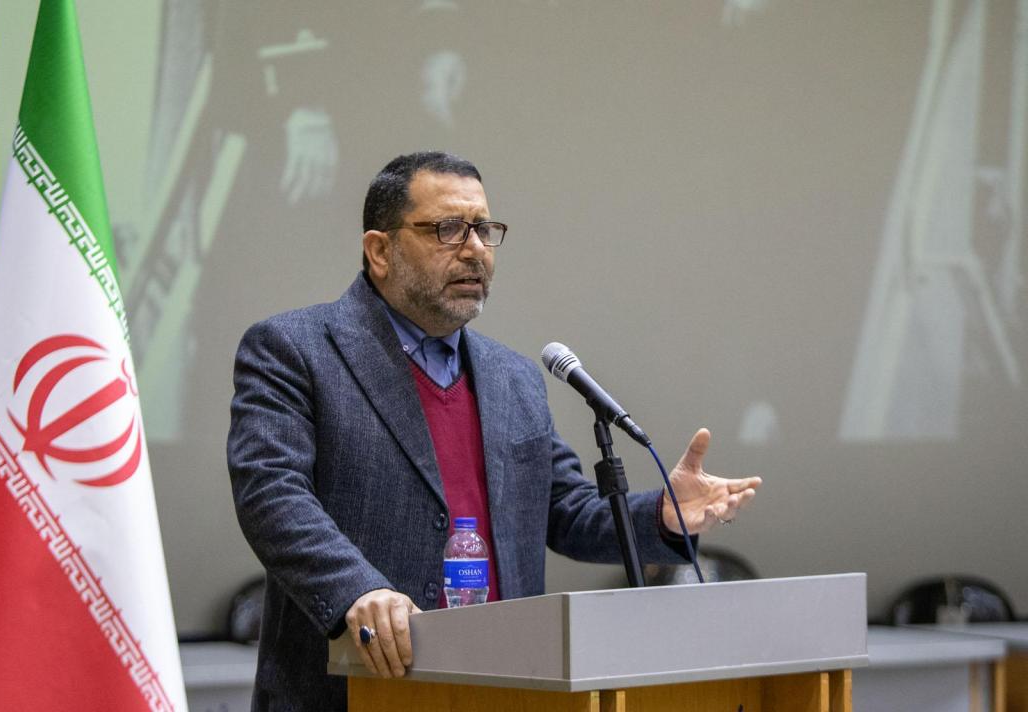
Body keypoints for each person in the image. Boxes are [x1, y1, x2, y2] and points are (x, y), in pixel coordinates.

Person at [227, 151, 761, 711]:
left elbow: (565, 510)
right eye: (448, 229)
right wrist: (358, 588)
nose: (475, 249)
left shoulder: (514, 379)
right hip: (353, 690)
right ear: (380, 251)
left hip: (505, 689)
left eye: (484, 229)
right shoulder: (296, 351)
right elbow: (272, 495)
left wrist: (662, 516)